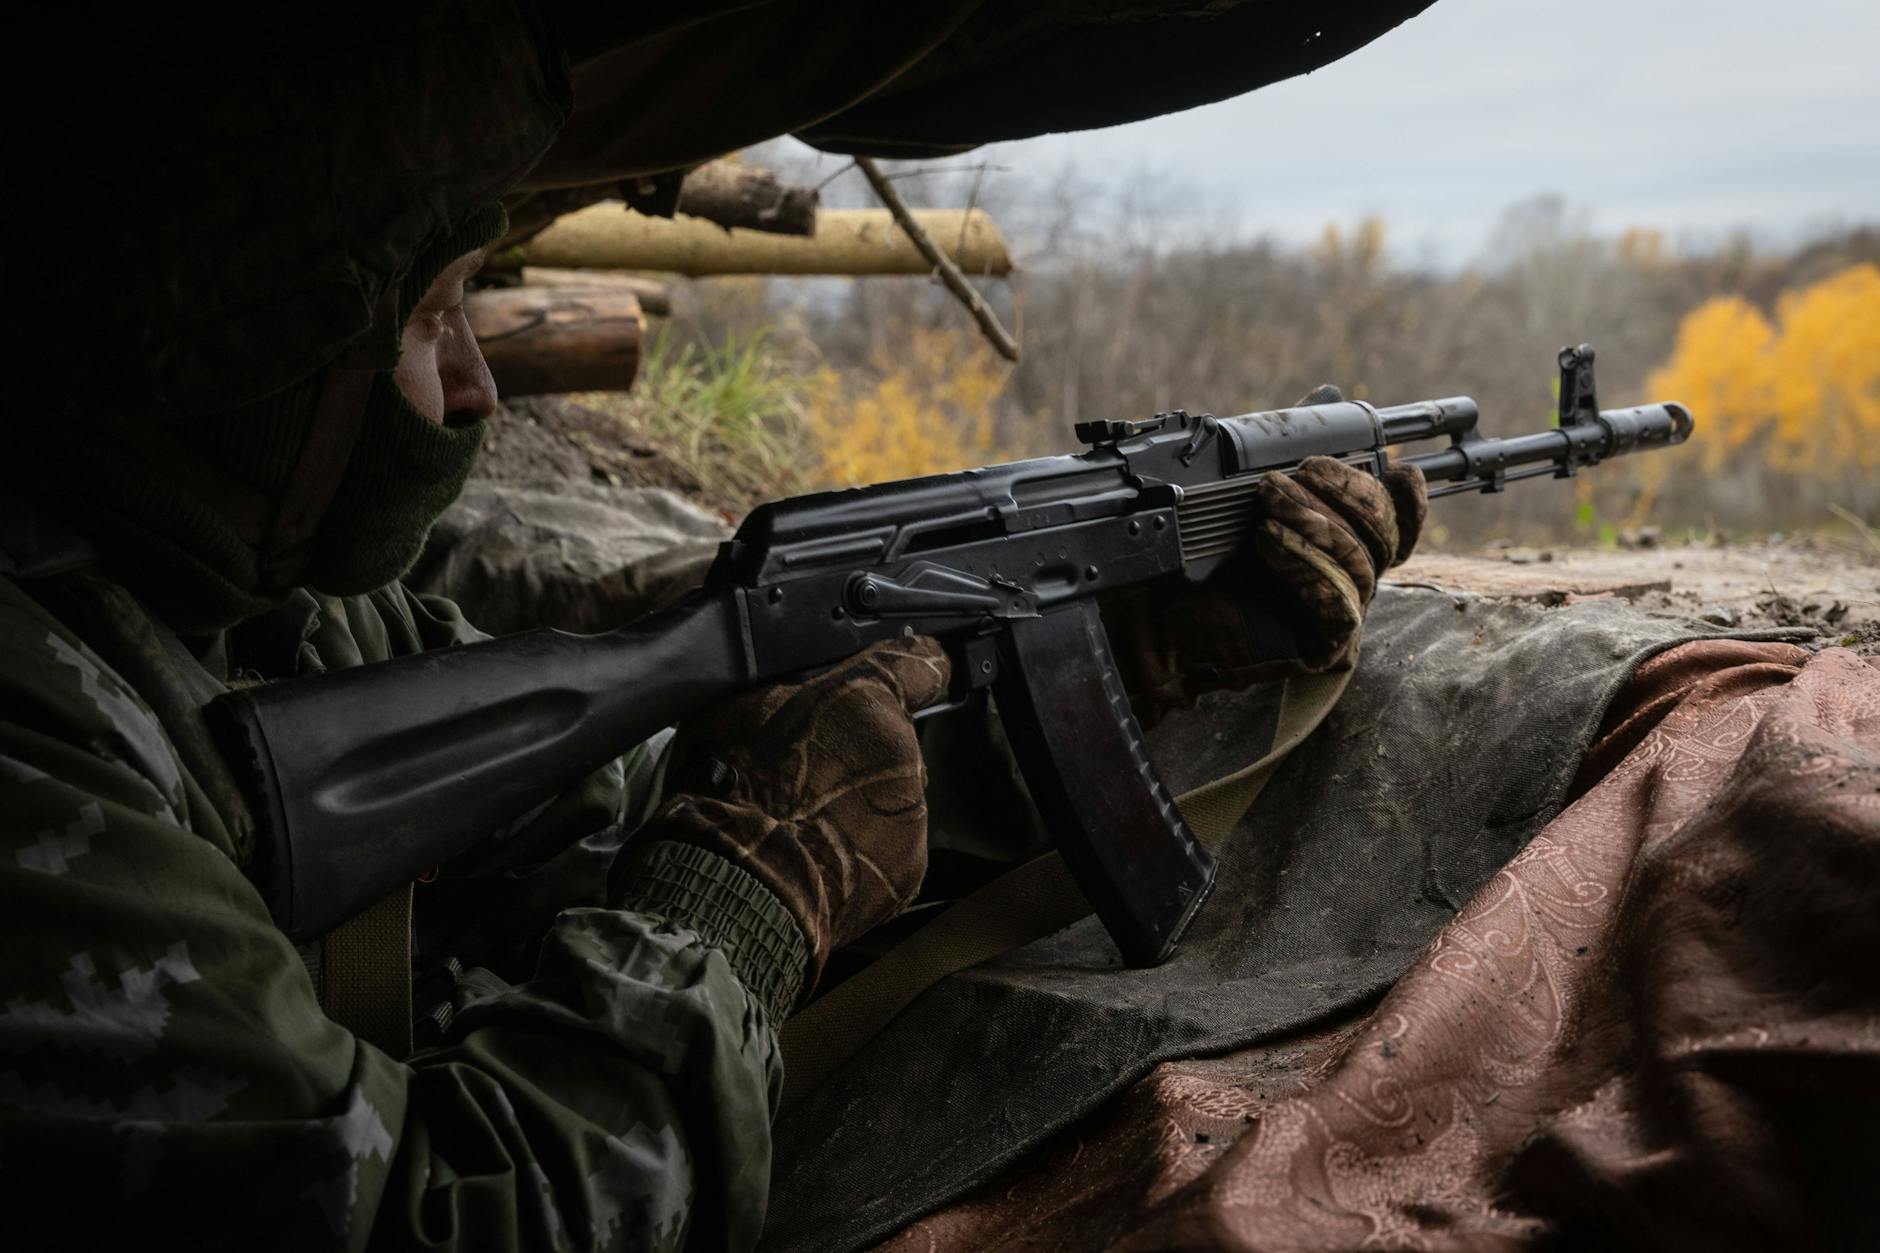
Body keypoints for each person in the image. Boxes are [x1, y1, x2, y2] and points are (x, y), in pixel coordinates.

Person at [0, 11, 1423, 1250]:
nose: (484, 387)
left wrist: (1136, 662)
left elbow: (633, 837)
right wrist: (746, 904)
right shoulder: (38, 748)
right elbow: (442, 1213)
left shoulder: (266, 606)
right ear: (255, 350)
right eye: (434, 316)